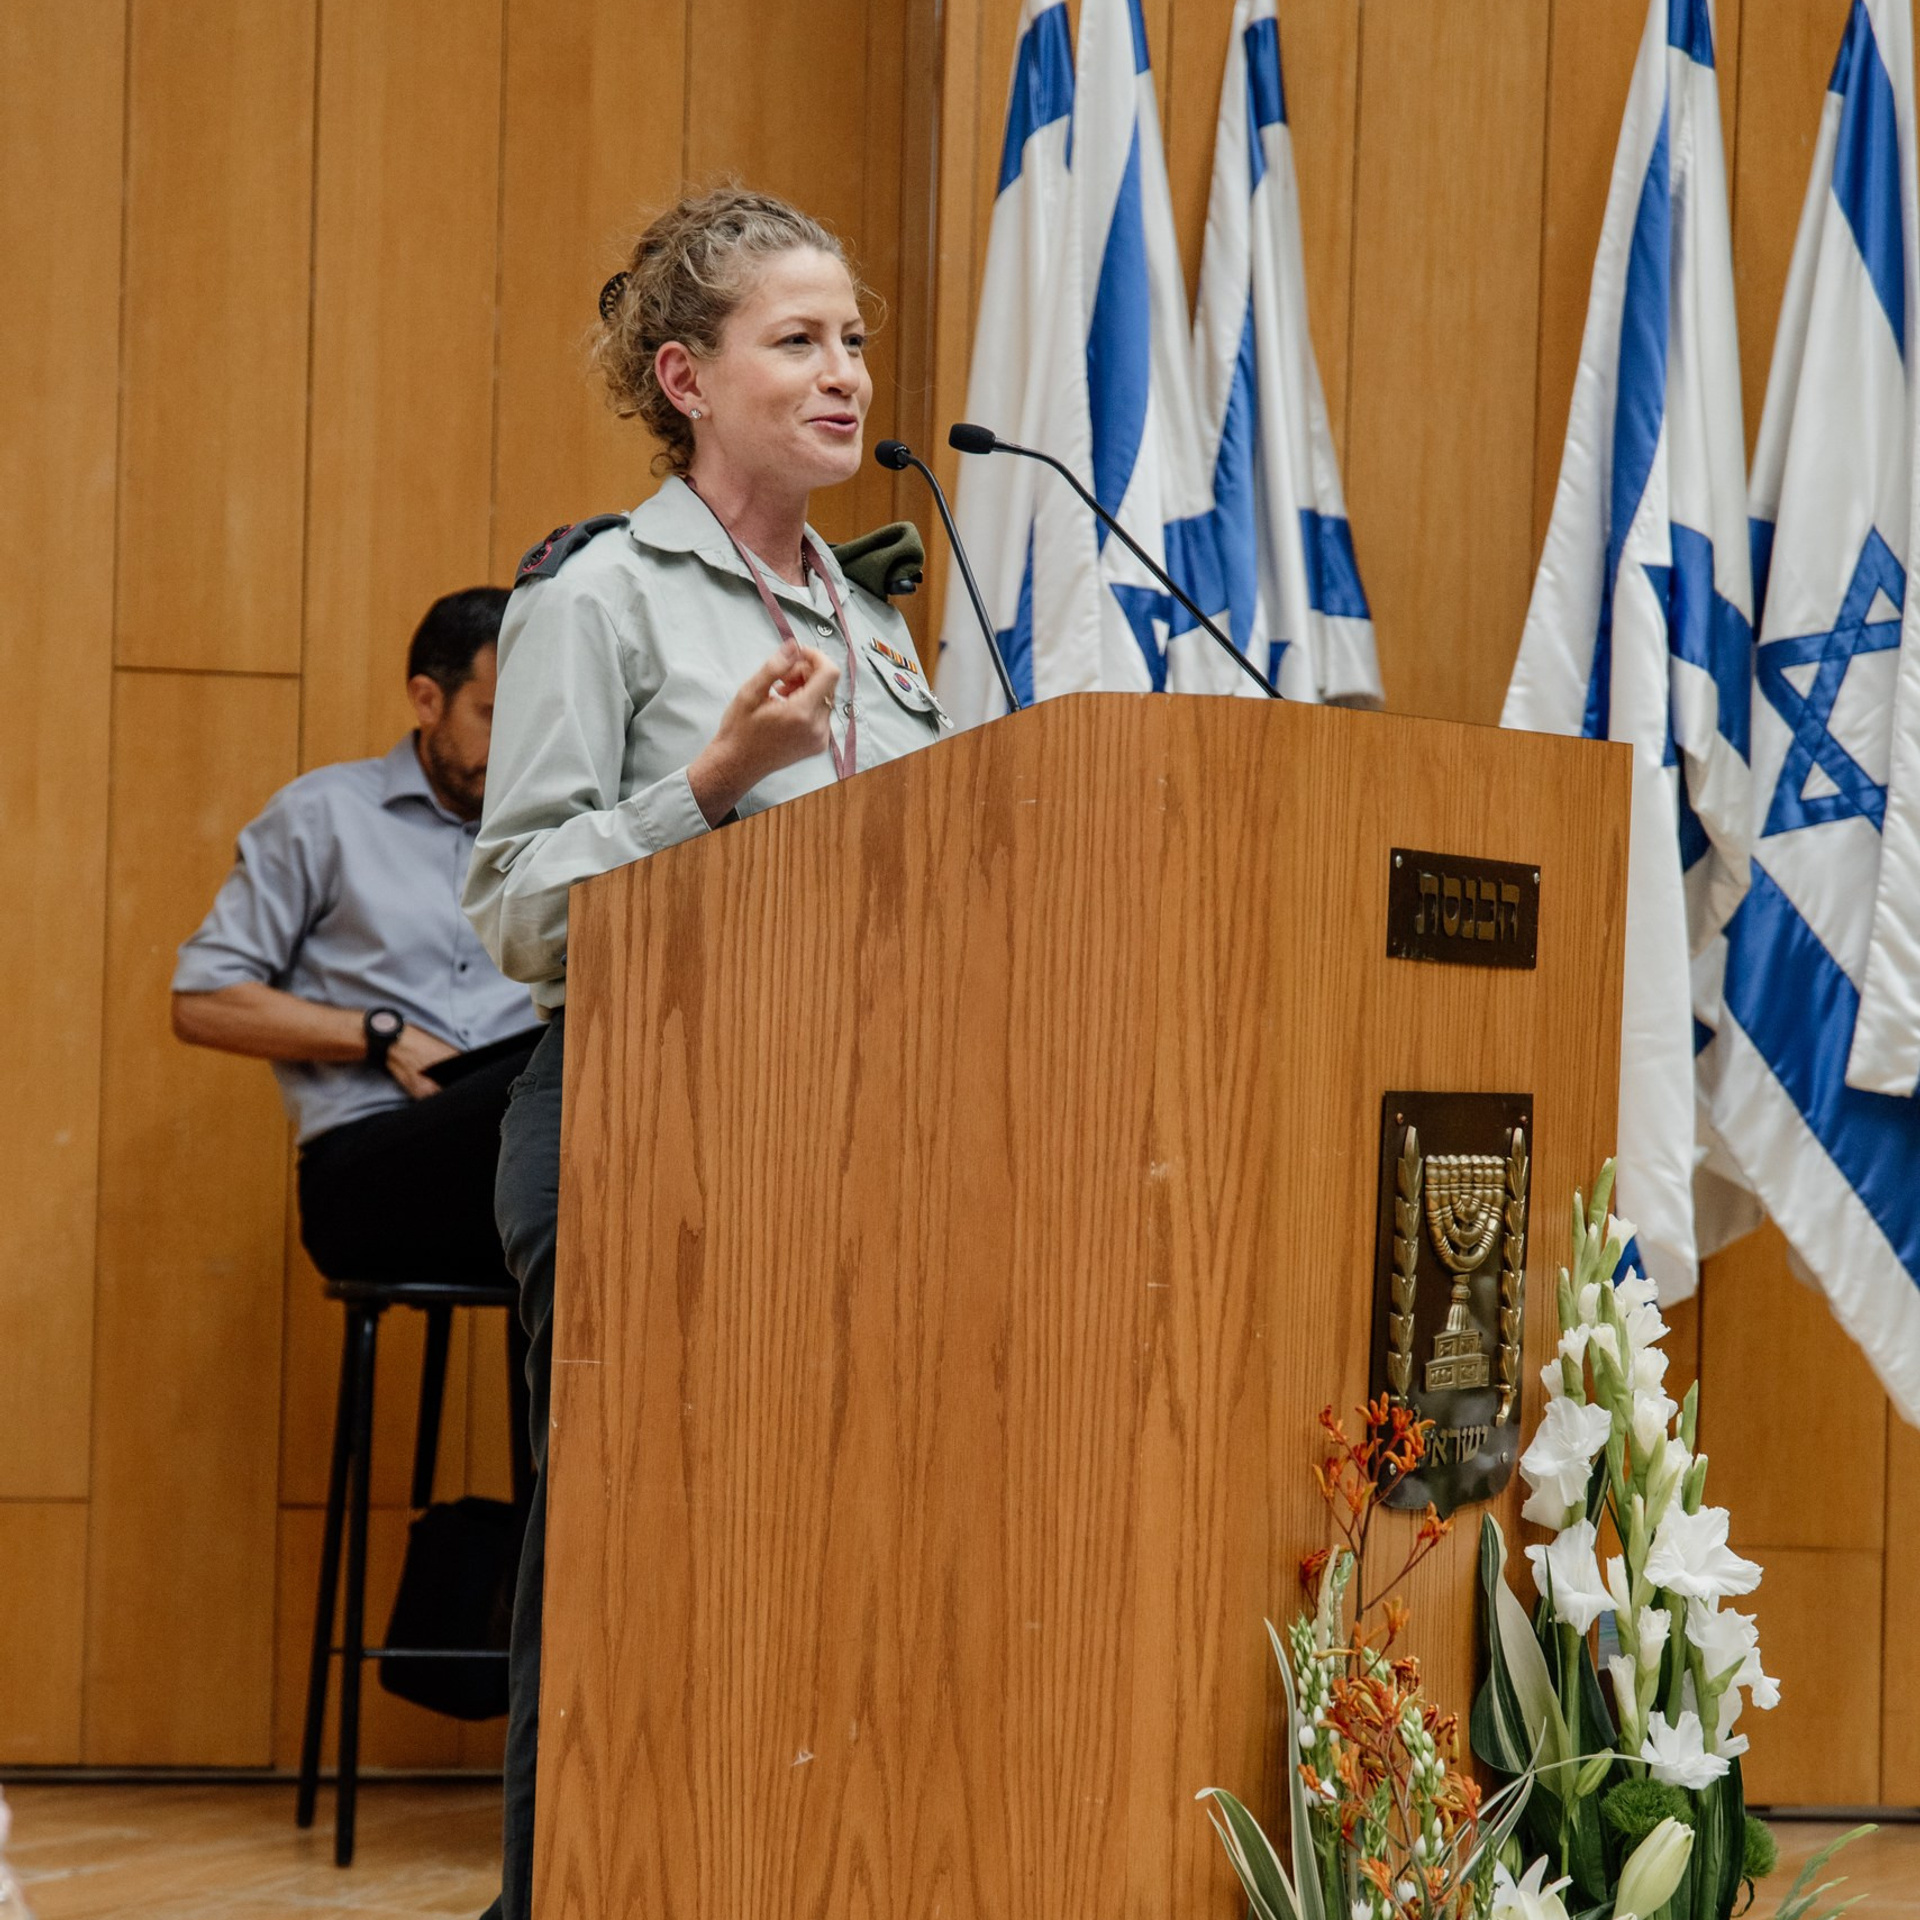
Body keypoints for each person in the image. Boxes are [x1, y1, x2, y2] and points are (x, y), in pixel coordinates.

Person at [464, 187, 950, 1920]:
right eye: (798, 341)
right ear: (686, 374)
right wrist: (711, 784)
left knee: (816, 1573)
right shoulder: (601, 598)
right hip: (634, 1138)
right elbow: (516, 910)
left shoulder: (875, 622)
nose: (846, 374)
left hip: (844, 1147)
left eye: (855, 338)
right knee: (617, 1579)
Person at [172, 588, 542, 1498]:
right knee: (556, 1078)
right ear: (428, 700)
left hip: (507, 1171)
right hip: (368, 1172)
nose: (515, 739)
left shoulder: (553, 828)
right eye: (495, 714)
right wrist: (375, 1036)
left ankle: (532, 1592)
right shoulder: (323, 815)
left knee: (580, 1114)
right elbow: (202, 999)